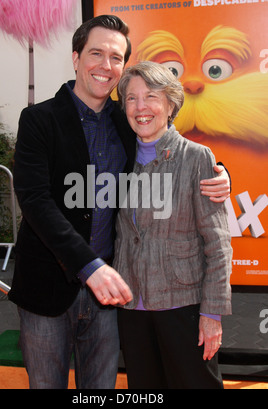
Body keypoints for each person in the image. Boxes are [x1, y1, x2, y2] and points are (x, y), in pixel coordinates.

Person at [8, 15, 231, 389]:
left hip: (110, 301)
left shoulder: (125, 120)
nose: (106, 65)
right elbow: (34, 199)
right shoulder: (38, 119)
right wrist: (89, 266)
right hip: (48, 289)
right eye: (96, 53)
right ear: (76, 57)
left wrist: (219, 172)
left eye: (116, 57)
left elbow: (168, 149)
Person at [114, 61, 233, 389]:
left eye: (151, 96)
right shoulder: (118, 159)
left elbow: (218, 243)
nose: (141, 107)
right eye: (131, 99)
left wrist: (212, 314)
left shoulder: (197, 158)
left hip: (184, 308)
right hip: (132, 309)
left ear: (171, 103)